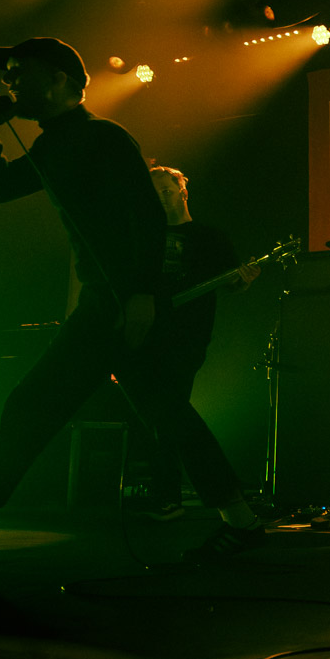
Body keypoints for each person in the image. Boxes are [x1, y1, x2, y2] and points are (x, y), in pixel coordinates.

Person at [0, 38, 267, 565]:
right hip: (109, 299)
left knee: (38, 405)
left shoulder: (104, 137)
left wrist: (140, 294)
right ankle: (242, 523)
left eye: (20, 71)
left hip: (114, 302)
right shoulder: (53, 144)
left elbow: (146, 216)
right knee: (165, 414)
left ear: (59, 78)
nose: (9, 81)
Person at [133, 165, 261, 521]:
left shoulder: (209, 237)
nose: (161, 197)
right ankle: (167, 494)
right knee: (157, 411)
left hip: (187, 336)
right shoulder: (144, 235)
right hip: (145, 332)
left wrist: (246, 278)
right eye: (154, 192)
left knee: (170, 406)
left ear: (183, 192)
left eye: (166, 190)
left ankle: (169, 494)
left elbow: (233, 282)